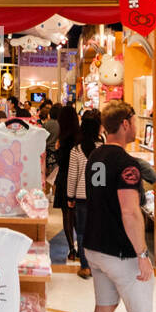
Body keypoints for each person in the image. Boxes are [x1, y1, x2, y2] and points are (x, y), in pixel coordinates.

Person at [83, 101, 156, 312]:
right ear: (127, 123)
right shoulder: (127, 165)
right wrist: (143, 255)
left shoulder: (96, 158)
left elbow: (98, 199)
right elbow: (130, 212)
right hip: (121, 253)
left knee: (102, 311)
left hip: (95, 247)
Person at [66, 109, 102, 279]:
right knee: (98, 230)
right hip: (99, 197)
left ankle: (85, 266)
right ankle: (98, 266)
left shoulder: (77, 150)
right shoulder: (103, 148)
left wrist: (70, 196)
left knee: (81, 232)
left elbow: (72, 175)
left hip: (81, 196)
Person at [53, 102, 81, 261]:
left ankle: (72, 248)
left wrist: (57, 150)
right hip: (78, 180)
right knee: (76, 215)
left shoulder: (63, 139)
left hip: (64, 179)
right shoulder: (79, 137)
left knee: (67, 215)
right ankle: (80, 246)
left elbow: (62, 162)